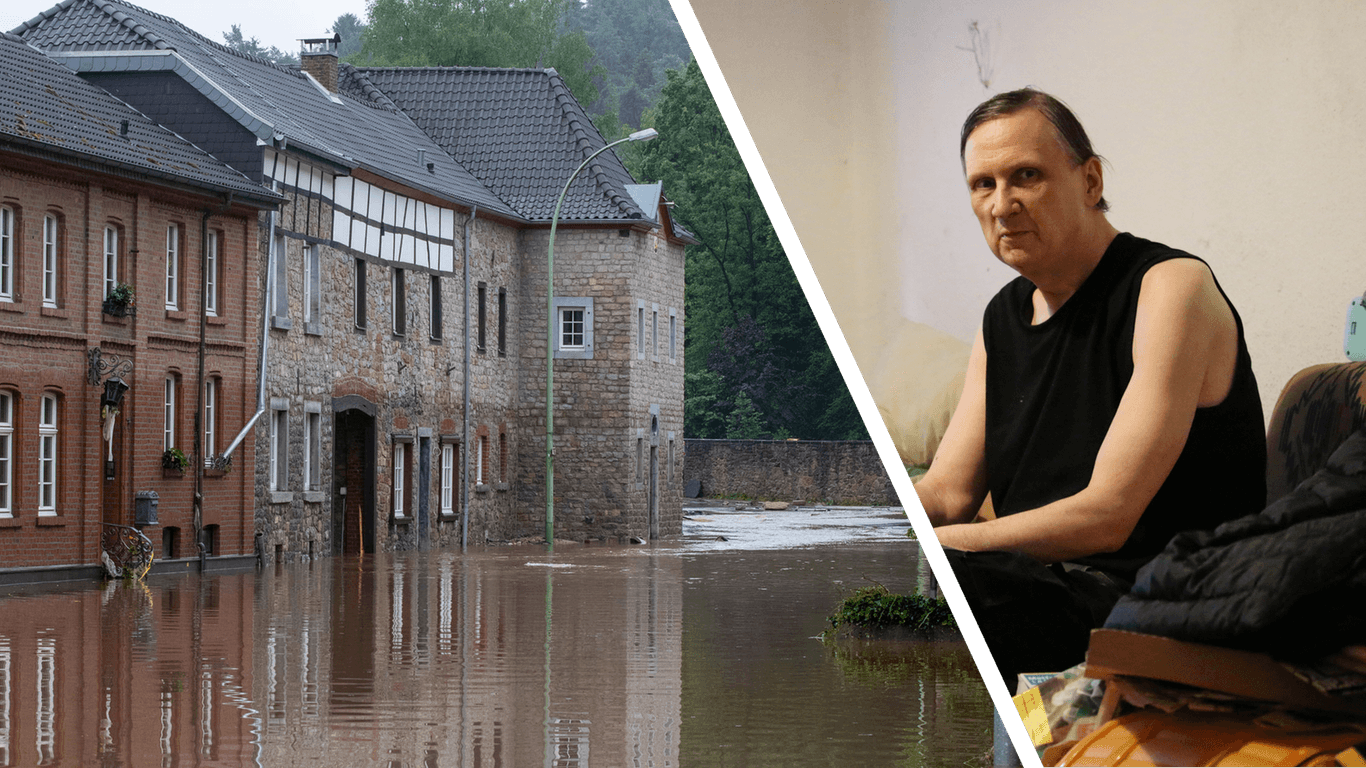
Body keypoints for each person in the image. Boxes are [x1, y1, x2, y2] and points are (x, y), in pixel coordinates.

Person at [912, 88, 1266, 690]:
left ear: (1091, 181)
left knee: (954, 571)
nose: (1003, 205)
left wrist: (945, 547)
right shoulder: (1001, 317)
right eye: (983, 185)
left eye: (1027, 175)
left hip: (1165, 601)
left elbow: (1107, 517)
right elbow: (947, 490)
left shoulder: (1170, 288)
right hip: (1051, 588)